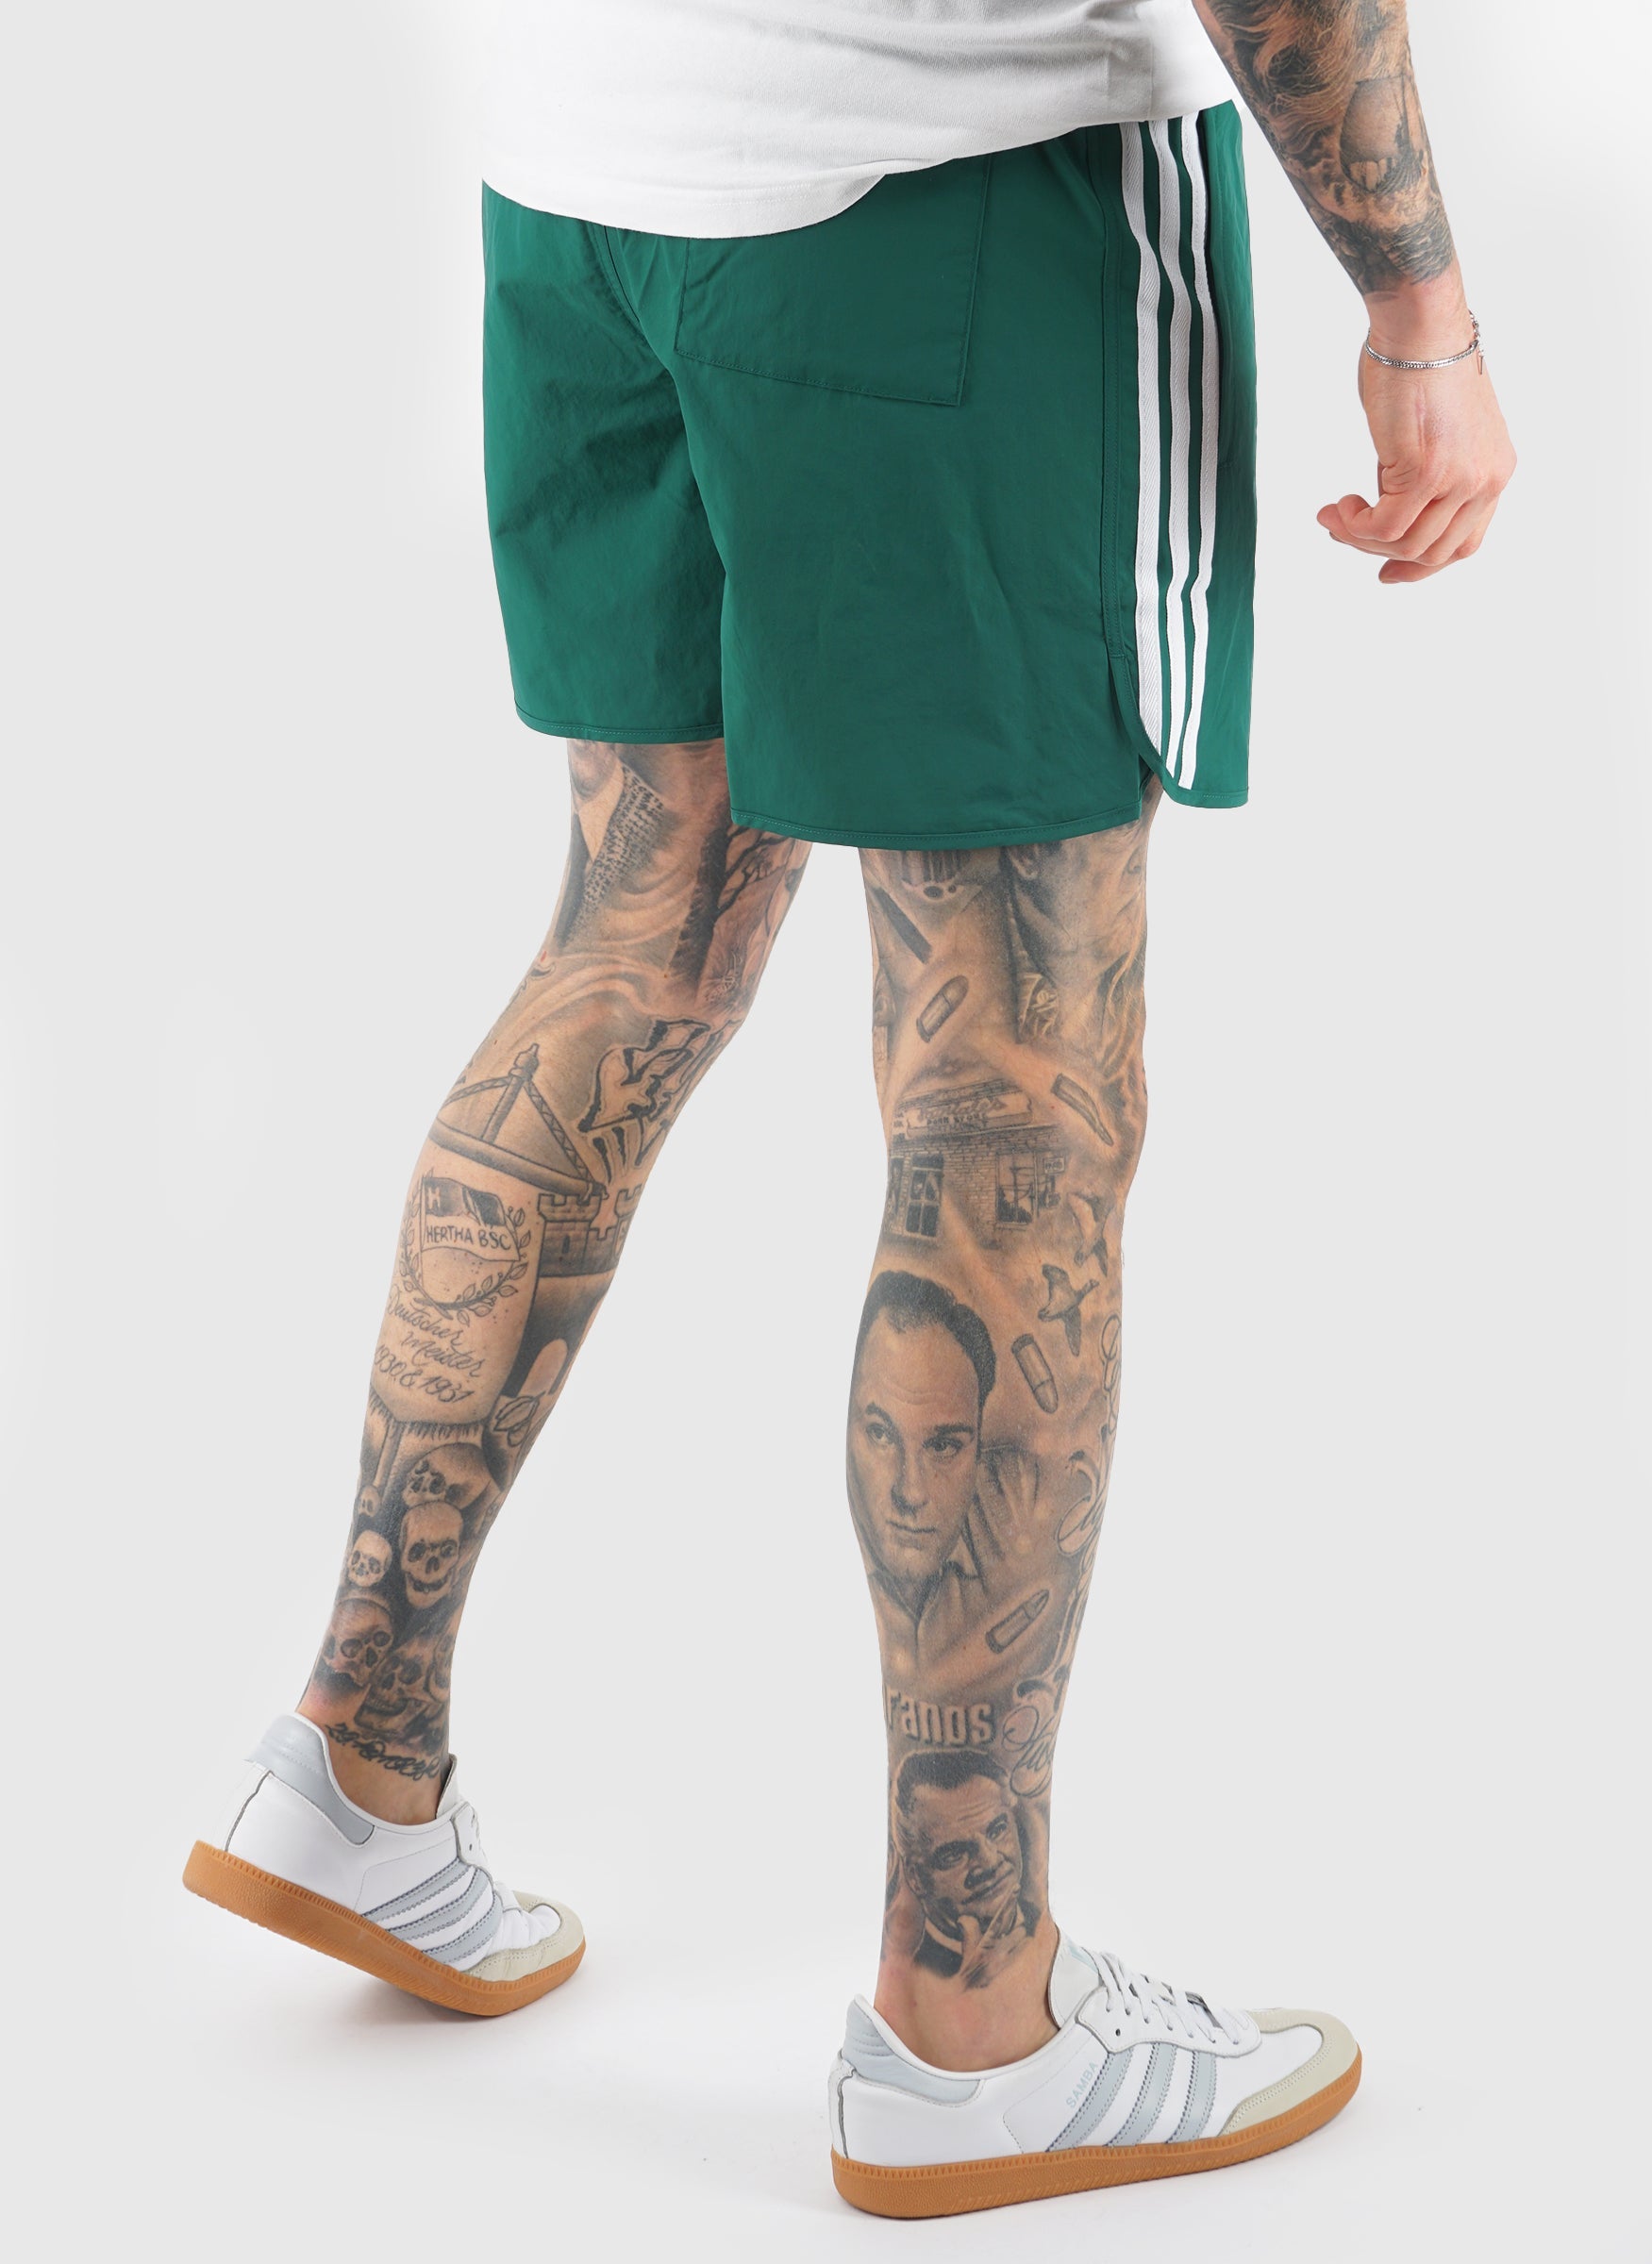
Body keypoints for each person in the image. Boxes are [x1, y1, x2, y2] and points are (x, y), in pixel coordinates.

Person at [182, 0, 1514, 2220]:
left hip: (590, 175)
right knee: (1017, 1088)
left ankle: (354, 1763)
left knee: (636, 930)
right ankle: (974, 2025)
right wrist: (1421, 301)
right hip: (945, 203)